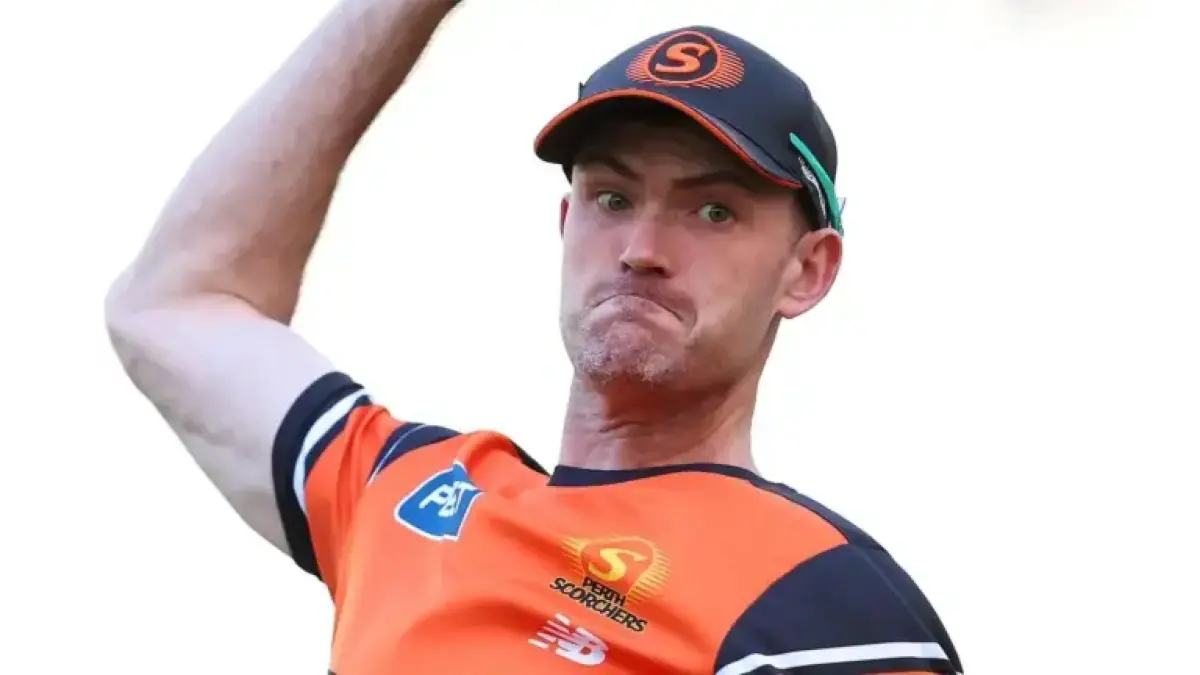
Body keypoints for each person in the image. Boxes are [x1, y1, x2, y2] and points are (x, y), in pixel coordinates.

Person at [105, 0, 964, 672]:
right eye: (612, 198)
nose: (641, 249)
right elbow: (172, 302)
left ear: (807, 270)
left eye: (712, 211)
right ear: (565, 223)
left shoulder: (823, 606)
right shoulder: (409, 490)